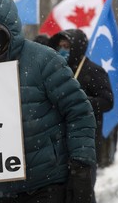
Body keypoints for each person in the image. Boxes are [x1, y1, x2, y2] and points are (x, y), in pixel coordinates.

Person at [0, 0, 96, 203]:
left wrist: (81, 165)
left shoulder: (43, 60)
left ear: (9, 27)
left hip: (47, 183)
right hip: (1, 189)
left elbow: (79, 111)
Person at [49, 29, 114, 169]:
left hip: (86, 143)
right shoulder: (56, 71)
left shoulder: (92, 70)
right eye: (59, 46)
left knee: (84, 186)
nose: (62, 50)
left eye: (66, 47)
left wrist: (80, 103)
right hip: (60, 146)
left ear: (77, 48)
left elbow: (107, 101)